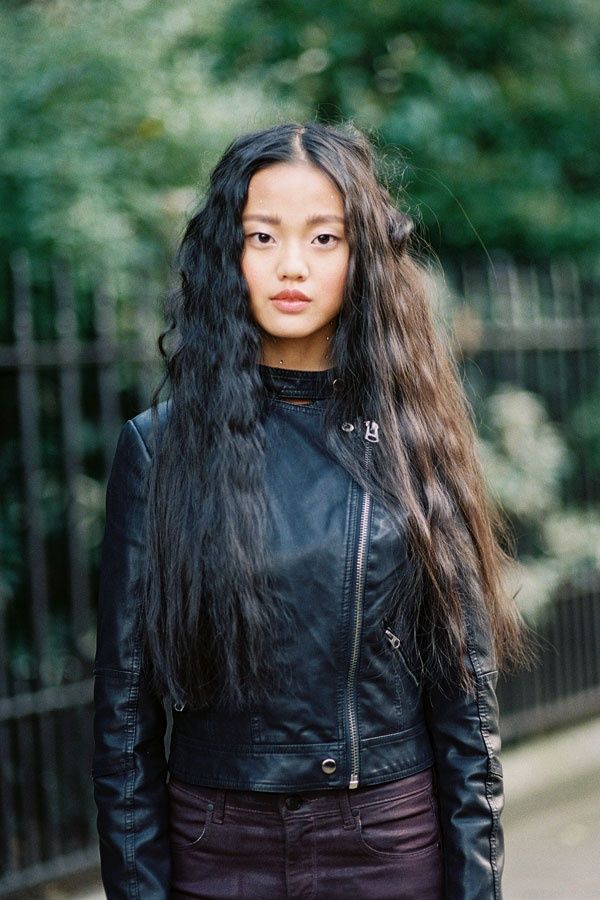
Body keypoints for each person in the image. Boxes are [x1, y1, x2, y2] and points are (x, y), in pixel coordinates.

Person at [93, 121, 527, 899]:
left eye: (324, 238)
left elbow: (467, 713)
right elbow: (124, 719)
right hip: (216, 849)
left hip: (387, 845)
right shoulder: (159, 451)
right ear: (229, 252)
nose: (291, 265)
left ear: (363, 259)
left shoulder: (414, 441)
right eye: (263, 236)